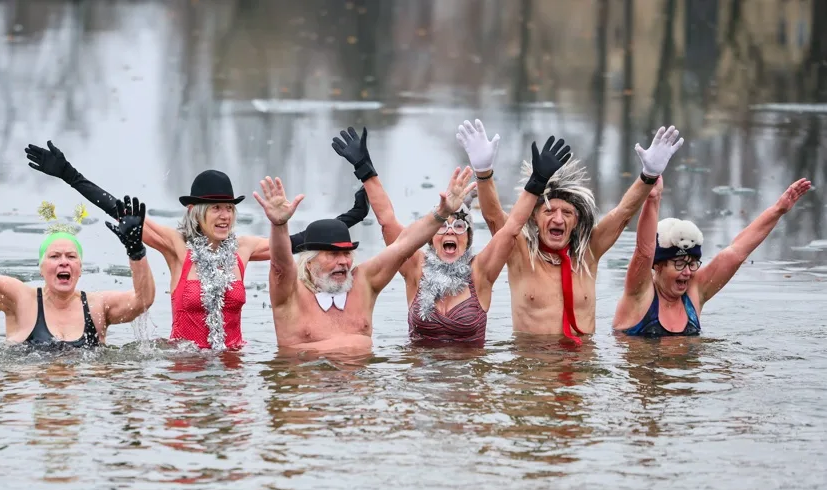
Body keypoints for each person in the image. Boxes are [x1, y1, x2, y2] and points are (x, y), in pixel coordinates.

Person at [24, 141, 370, 350]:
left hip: (234, 362)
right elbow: (120, 209)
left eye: (229, 209)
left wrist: (352, 216)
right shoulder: (177, 246)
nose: (224, 216)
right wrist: (69, 174)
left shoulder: (243, 248)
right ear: (196, 212)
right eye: (216, 208)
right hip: (185, 365)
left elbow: (297, 241)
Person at [331, 127, 569, 346]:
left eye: (458, 227)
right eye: (443, 226)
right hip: (421, 384)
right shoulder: (415, 268)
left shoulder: (481, 272)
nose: (449, 232)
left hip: (466, 385)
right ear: (430, 237)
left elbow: (512, 227)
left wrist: (536, 182)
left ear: (468, 239)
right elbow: (386, 221)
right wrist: (364, 168)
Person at [462, 120, 685, 344]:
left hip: (582, 369)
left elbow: (623, 214)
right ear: (535, 218)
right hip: (532, 368)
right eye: (549, 211)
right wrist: (484, 172)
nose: (558, 218)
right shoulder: (518, 252)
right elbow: (493, 217)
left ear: (577, 220)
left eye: (567, 213)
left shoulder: (589, 253)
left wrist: (648, 175)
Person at [252, 166, 477, 353]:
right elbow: (280, 264)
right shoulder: (290, 292)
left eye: (347, 254)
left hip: (360, 395)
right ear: (309, 263)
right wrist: (279, 225)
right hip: (308, 396)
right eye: (333, 254)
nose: (343, 261)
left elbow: (403, 245)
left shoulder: (364, 282)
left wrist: (441, 213)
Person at [0, 170, 155, 349]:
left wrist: (135, 249)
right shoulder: (22, 299)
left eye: (71, 256)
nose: (63, 261)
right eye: (54, 256)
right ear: (41, 268)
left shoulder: (97, 306)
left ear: (80, 267)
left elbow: (143, 300)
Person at [613, 177, 812, 336]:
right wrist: (653, 199)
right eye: (680, 263)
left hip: (687, 381)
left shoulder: (695, 291)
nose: (688, 272)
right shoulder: (639, 294)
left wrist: (777, 210)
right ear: (658, 265)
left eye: (692, 264)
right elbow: (644, 251)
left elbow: (736, 252)